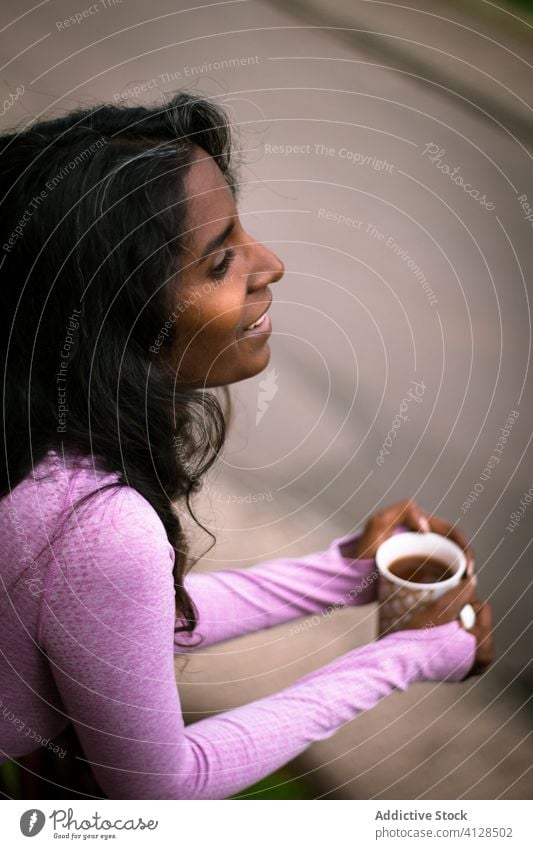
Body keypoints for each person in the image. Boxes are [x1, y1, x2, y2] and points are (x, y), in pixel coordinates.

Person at [0, 92, 493, 800]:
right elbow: (160, 786)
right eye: (220, 259)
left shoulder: (36, 454)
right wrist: (405, 656)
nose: (271, 265)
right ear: (117, 316)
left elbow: (110, 617)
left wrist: (344, 573)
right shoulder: (94, 524)